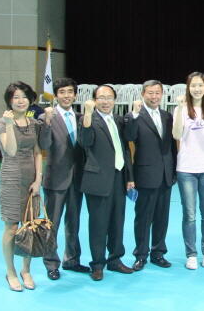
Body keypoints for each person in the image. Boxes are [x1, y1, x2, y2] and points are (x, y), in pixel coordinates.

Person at [79, 85, 135, 280]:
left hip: (119, 177)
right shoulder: (88, 119)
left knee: (117, 222)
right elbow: (85, 142)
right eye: (101, 98)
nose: (105, 101)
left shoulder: (118, 120)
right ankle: (97, 264)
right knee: (98, 224)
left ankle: (115, 260)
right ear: (94, 100)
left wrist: (129, 177)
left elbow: (125, 149)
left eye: (109, 97)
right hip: (98, 179)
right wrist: (87, 113)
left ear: (114, 100)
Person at [38, 77, 90, 280]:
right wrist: (47, 122)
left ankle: (72, 260)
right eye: (62, 92)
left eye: (70, 92)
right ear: (56, 95)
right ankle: (51, 263)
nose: (66, 96)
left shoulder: (80, 117)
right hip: (56, 179)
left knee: (74, 222)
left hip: (78, 179)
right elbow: (43, 144)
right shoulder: (46, 117)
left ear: (75, 95)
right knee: (52, 224)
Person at [124, 80, 176, 271]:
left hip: (166, 174)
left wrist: (173, 170)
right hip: (145, 175)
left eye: (157, 93)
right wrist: (134, 114)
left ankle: (158, 253)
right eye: (150, 93)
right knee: (143, 217)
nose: (154, 97)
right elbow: (129, 137)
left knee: (162, 217)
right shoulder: (134, 116)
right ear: (143, 94)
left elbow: (172, 146)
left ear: (162, 95)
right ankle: (140, 255)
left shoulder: (167, 116)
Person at [0, 82, 43, 291]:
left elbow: (37, 152)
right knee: (12, 228)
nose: (20, 100)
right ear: (9, 101)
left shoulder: (33, 123)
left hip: (30, 180)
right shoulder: (2, 122)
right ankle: (11, 272)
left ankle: (26, 270)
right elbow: (11, 151)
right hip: (11, 179)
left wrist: (38, 180)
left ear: (30, 100)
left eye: (24, 96)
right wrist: (9, 124)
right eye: (16, 97)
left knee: (29, 227)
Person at [172, 72, 204, 270]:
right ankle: (191, 254)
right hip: (186, 169)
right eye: (193, 86)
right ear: (188, 88)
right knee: (189, 215)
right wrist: (180, 108)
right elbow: (176, 134)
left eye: (200, 85)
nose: (197, 89)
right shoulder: (180, 109)